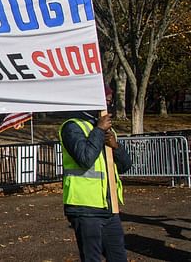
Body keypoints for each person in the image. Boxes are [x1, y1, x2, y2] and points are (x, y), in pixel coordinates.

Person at [59, 85, 132, 262]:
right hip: (84, 207)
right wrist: (98, 131)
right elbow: (85, 158)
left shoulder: (105, 128)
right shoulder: (72, 126)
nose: (109, 103)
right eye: (106, 99)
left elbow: (125, 166)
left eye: (110, 99)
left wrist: (117, 147)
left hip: (108, 206)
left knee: (118, 256)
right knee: (91, 258)